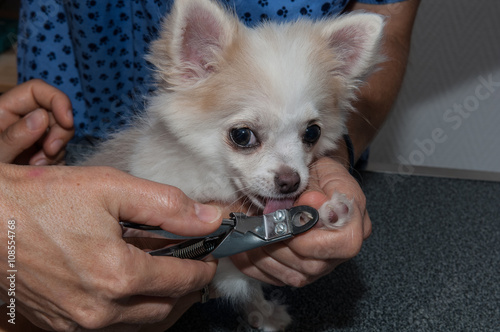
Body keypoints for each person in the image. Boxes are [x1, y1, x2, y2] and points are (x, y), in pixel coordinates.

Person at [2, 0, 420, 330]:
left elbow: (387, 17)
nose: (290, 171)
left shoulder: (288, 167)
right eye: (244, 136)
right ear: (191, 70)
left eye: (308, 134)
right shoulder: (154, 163)